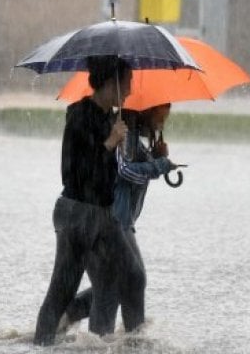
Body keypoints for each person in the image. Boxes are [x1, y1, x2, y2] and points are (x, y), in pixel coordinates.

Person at [33, 55, 132, 346]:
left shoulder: (108, 119)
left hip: (102, 214)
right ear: (109, 83)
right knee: (62, 290)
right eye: (126, 83)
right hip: (77, 213)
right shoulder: (79, 115)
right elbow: (76, 173)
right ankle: (42, 344)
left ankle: (99, 343)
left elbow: (108, 175)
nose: (129, 91)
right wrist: (110, 144)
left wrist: (124, 151)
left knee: (116, 280)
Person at [59, 103, 178, 334]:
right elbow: (127, 170)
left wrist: (155, 157)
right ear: (146, 109)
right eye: (162, 112)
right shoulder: (127, 132)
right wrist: (160, 164)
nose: (165, 119)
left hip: (123, 223)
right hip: (112, 219)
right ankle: (124, 339)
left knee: (127, 281)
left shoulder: (132, 136)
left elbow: (134, 167)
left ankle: (73, 317)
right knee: (122, 282)